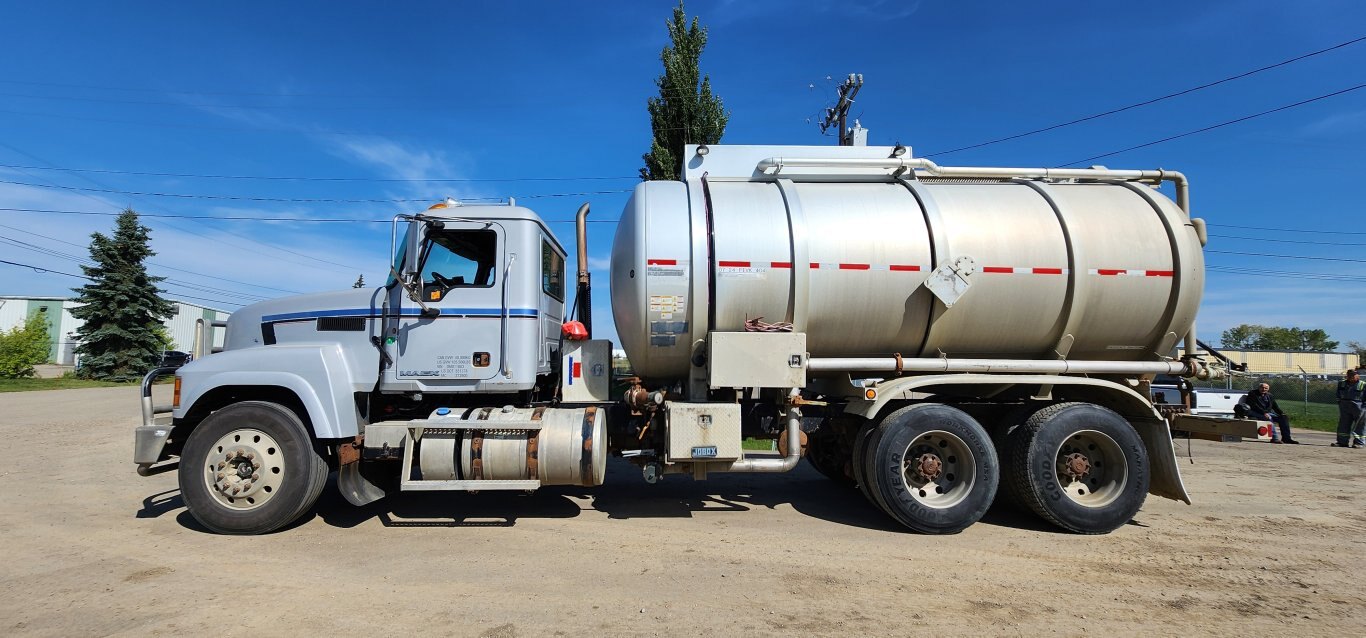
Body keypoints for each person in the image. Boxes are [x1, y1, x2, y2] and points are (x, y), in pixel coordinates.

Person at [1335, 369, 1366, 448]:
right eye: (1349, 375)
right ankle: (1342, 442)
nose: (1351, 377)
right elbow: (1338, 394)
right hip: (1345, 406)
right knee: (1343, 424)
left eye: (1353, 375)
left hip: (1359, 406)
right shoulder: (1341, 384)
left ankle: (1359, 443)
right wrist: (1340, 402)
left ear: (1357, 376)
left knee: (1360, 425)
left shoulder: (1363, 384)